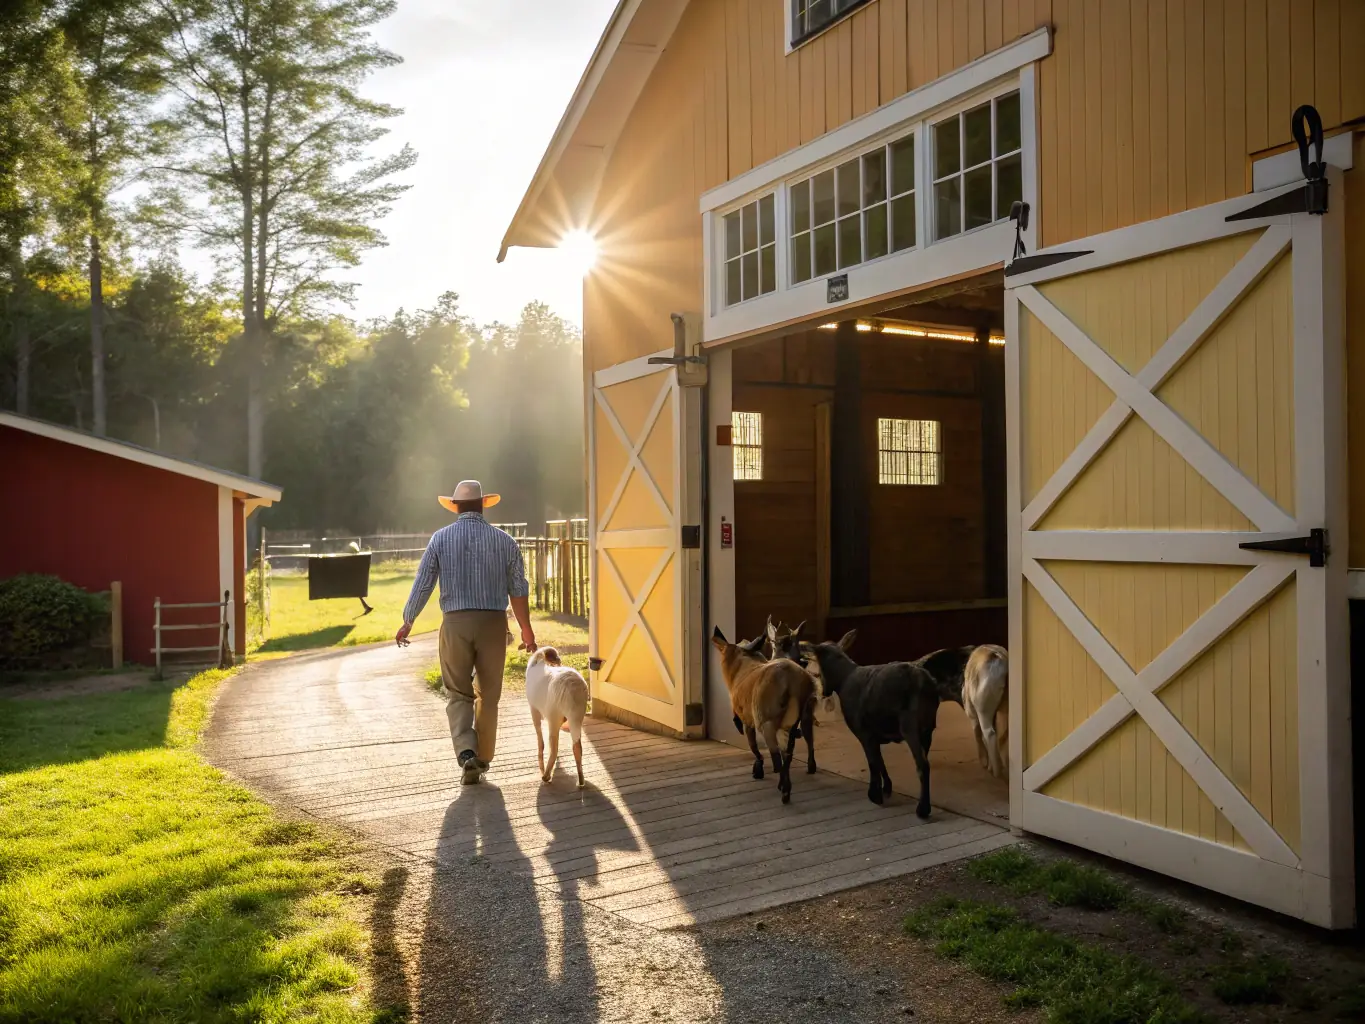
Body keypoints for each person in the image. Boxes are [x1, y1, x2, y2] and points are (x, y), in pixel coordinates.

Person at [397, 480, 536, 785]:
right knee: (489, 694)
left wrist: (409, 620)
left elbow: (424, 583)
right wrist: (526, 630)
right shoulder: (505, 541)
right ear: (484, 504)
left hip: (456, 624)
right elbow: (518, 589)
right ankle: (483, 757)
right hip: (493, 624)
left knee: (458, 692)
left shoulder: (440, 539)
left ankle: (466, 754)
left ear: (456, 506)